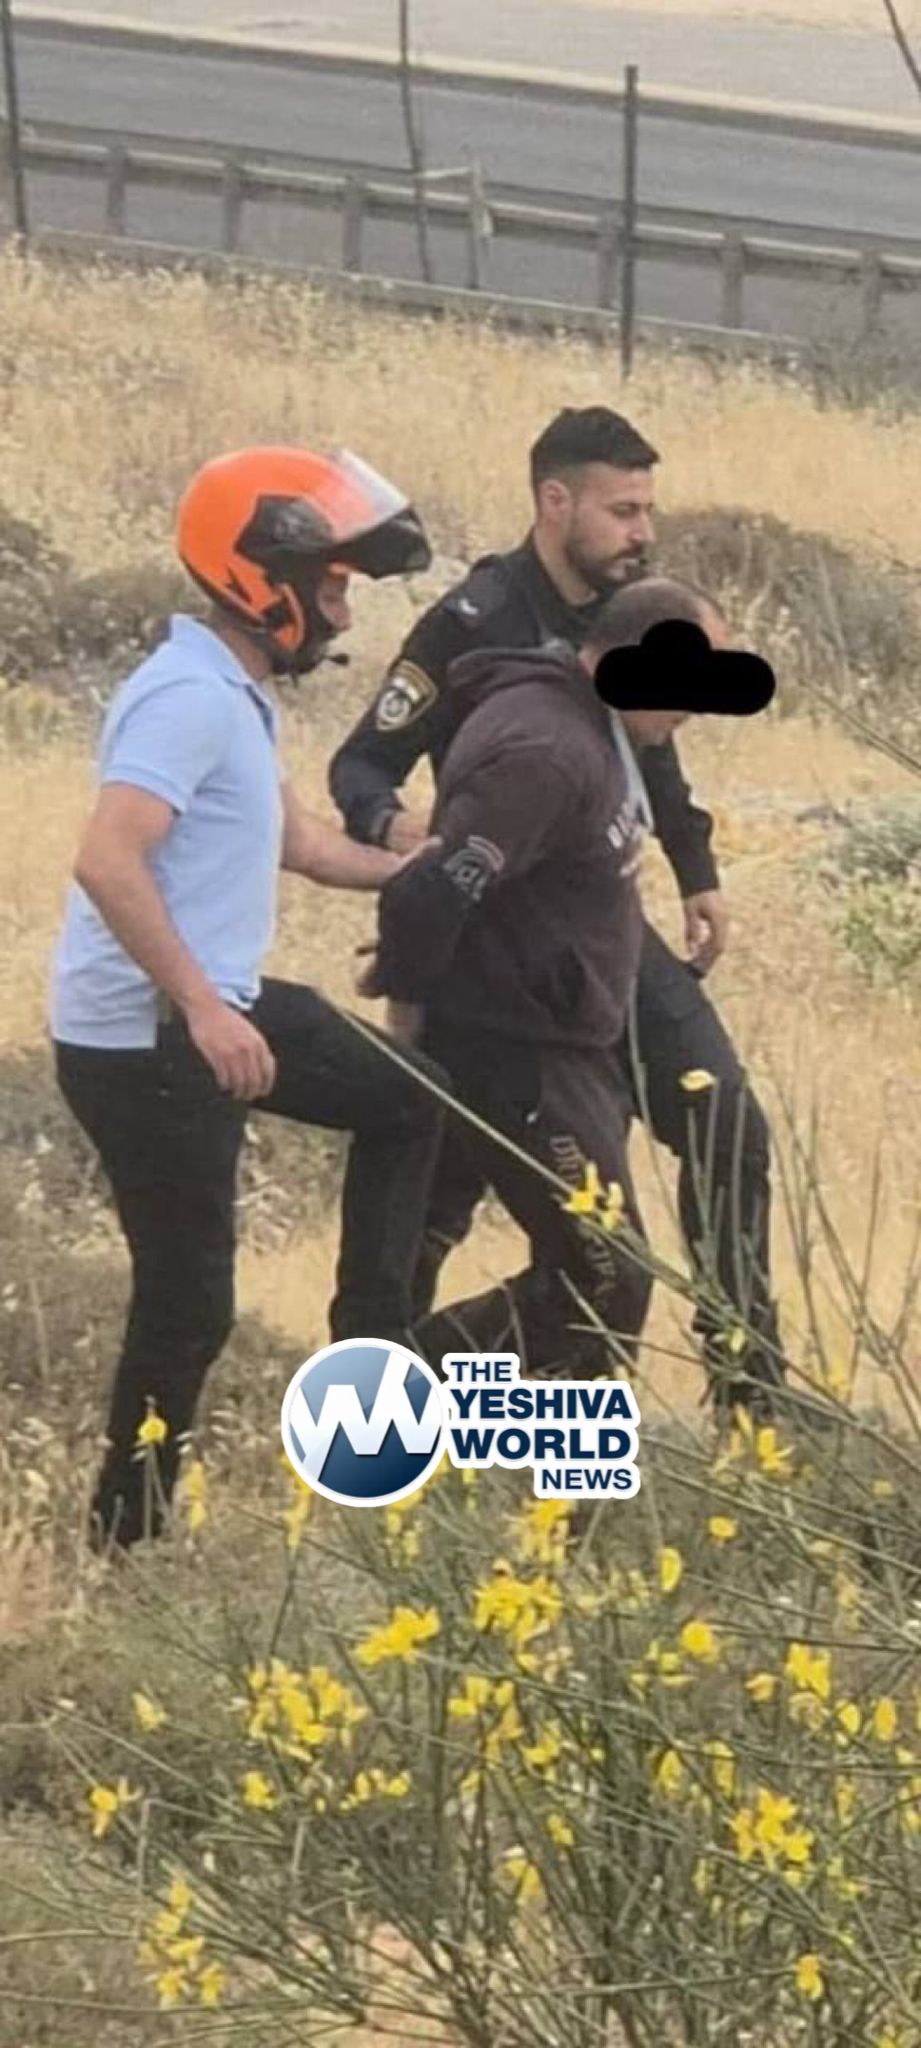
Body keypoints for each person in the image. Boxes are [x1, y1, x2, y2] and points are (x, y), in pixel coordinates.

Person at [330, 406, 787, 1417]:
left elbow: (650, 747)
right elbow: (362, 761)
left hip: (602, 926)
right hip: (497, 944)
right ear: (554, 500)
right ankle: (382, 1404)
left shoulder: (635, 615)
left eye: (647, 511)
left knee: (724, 1123)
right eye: (623, 511)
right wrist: (403, 834)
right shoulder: (472, 622)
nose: (641, 532)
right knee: (447, 1187)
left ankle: (749, 1395)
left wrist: (696, 867)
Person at [50, 445, 449, 1550]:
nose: (343, 607)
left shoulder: (234, 692)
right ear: (260, 576)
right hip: (146, 1037)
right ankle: (123, 1541)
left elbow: (302, 842)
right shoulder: (186, 699)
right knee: (189, 1302)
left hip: (201, 1005)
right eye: (332, 582)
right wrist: (205, 1010)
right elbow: (108, 860)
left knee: (412, 1096)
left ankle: (370, 1351)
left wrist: (413, 865)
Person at [367, 578, 723, 1377]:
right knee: (606, 1279)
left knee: (596, 1282)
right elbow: (432, 886)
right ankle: (382, 1404)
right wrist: (406, 1014)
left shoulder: (596, 727)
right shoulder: (547, 753)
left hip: (565, 1044)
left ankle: (519, 1447)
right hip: (517, 1052)